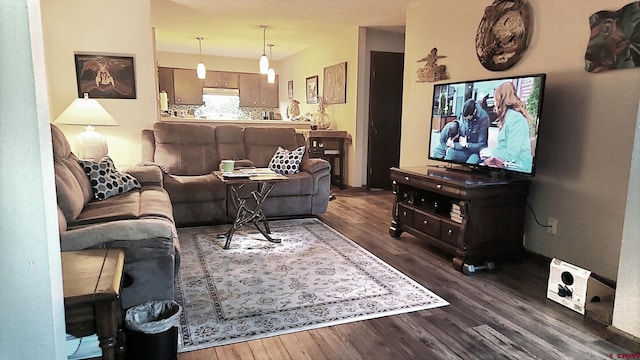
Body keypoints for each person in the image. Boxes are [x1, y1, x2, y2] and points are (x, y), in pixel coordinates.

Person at [481, 81, 533, 173]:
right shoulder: (507, 118)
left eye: (495, 99)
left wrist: (490, 153)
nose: (494, 103)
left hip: (519, 171)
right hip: (506, 168)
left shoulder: (516, 119)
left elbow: (511, 154)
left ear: (501, 100)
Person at [445, 99, 490, 164]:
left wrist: (467, 145)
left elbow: (482, 145)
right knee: (450, 153)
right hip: (464, 149)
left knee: (469, 165)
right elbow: (461, 136)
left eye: (468, 118)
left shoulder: (484, 118)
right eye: (464, 118)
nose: (466, 119)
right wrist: (453, 141)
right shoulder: (465, 114)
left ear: (474, 112)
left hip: (476, 152)